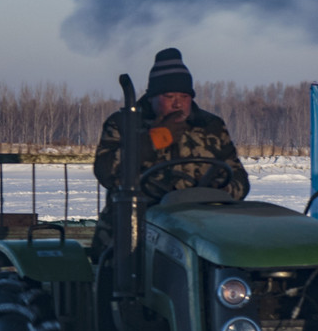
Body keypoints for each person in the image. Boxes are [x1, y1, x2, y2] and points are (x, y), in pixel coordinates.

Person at [91, 47, 250, 257]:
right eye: (169, 96)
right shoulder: (123, 124)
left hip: (199, 228)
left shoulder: (210, 126)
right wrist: (153, 141)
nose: (178, 103)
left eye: (184, 96)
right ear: (152, 97)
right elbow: (105, 172)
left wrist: (219, 193)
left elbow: (239, 178)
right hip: (137, 230)